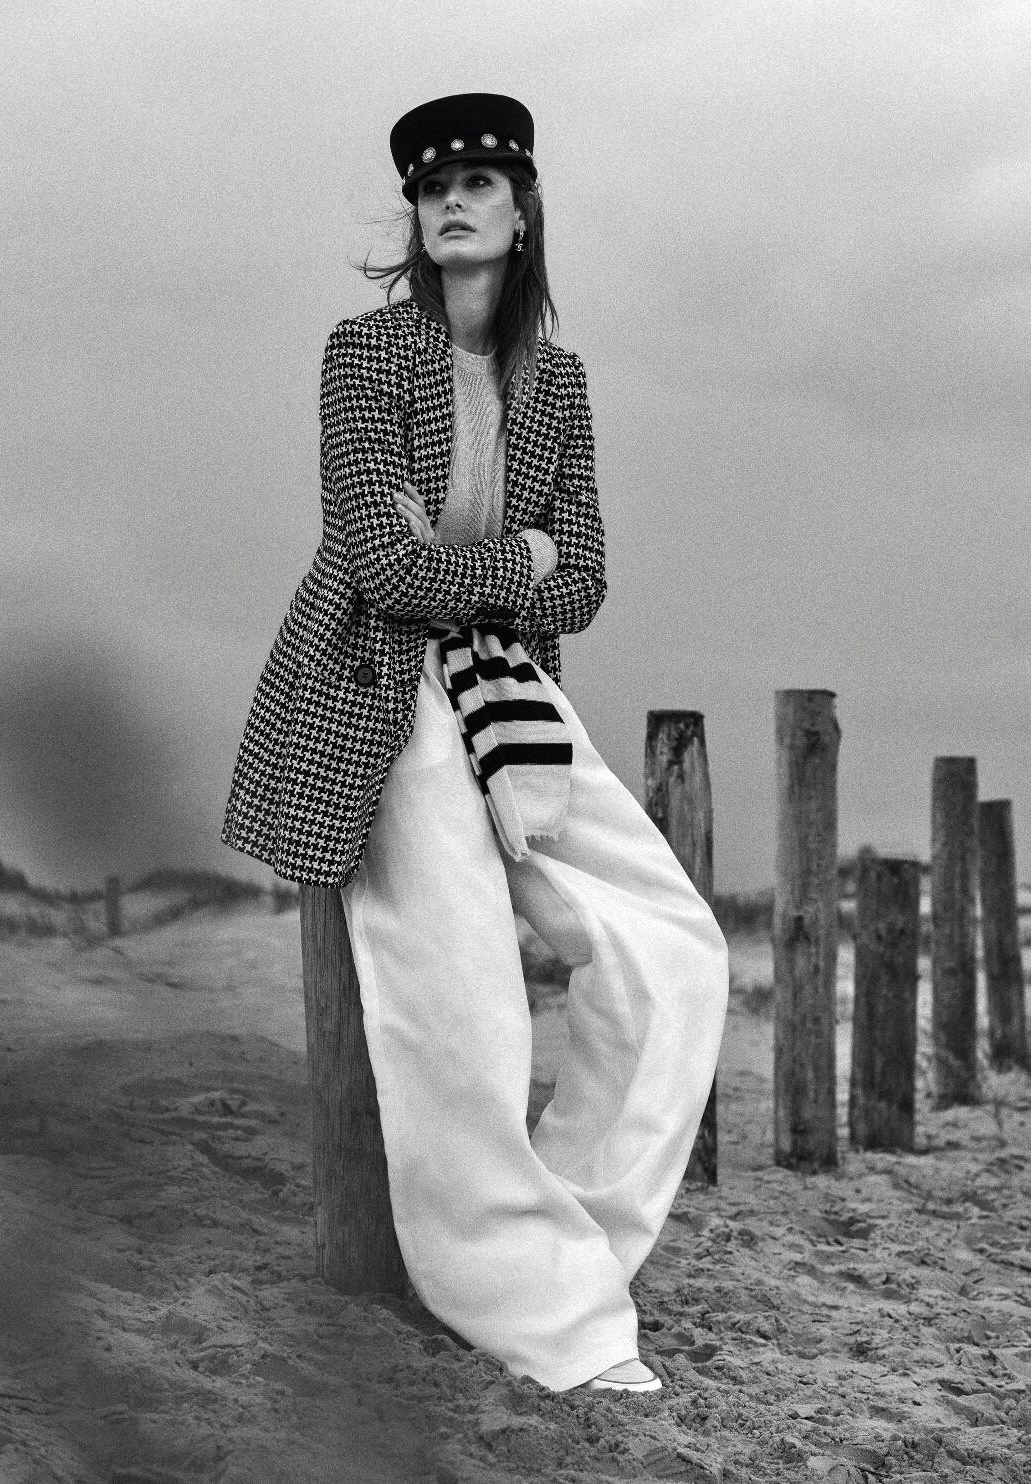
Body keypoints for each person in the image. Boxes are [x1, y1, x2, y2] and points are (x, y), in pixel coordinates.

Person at [221, 92, 729, 1394]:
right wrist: (523, 556)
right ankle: (535, 1315)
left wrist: (494, 565)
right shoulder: (361, 352)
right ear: (417, 216)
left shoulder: (559, 378)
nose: (452, 201)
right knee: (460, 1007)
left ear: (521, 211)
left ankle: (574, 1243)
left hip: (511, 693)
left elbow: (587, 579)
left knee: (674, 949)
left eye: (481, 182)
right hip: (377, 693)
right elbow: (382, 570)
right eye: (432, 186)